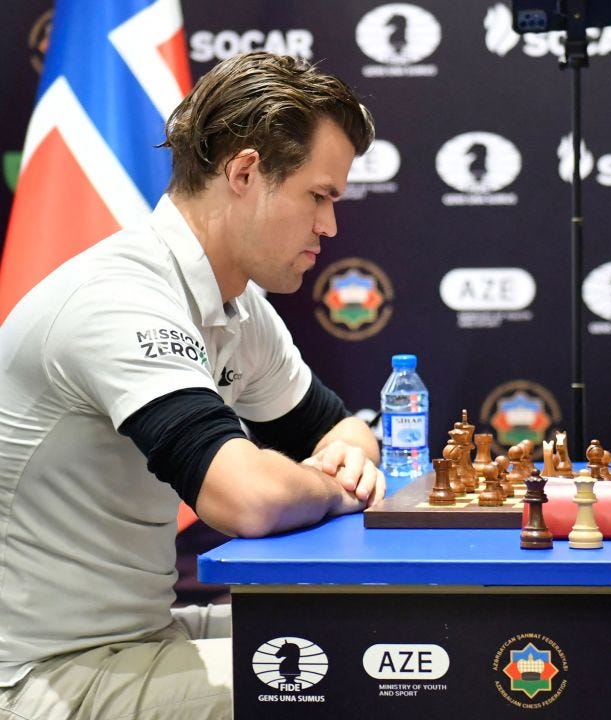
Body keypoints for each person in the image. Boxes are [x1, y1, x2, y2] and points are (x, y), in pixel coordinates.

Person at [0, 52, 382, 719]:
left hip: (140, 638)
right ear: (245, 172)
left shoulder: (235, 305)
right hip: (42, 674)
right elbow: (247, 500)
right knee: (367, 682)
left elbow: (340, 429)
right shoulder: (120, 298)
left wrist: (347, 455)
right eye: (319, 196)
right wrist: (335, 489)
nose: (330, 226)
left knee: (383, 645)